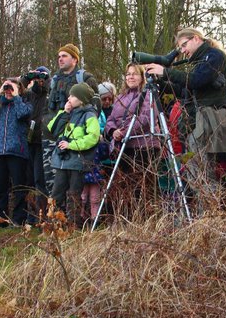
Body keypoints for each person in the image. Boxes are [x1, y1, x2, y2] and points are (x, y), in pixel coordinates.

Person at [146, 28, 226, 184]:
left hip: (210, 117)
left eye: (184, 45)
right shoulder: (199, 62)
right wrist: (161, 82)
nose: (183, 51)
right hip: (199, 119)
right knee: (197, 173)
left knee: (202, 173)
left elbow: (196, 80)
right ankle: (205, 207)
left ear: (196, 39)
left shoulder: (214, 56)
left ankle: (208, 207)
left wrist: (165, 72)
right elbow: (185, 91)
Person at [104, 63, 161, 218]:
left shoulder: (148, 94)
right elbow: (110, 119)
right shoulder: (120, 97)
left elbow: (145, 118)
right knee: (124, 185)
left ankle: (147, 220)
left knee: (142, 186)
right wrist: (113, 130)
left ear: (142, 77)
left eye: (134, 74)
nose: (130, 77)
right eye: (128, 74)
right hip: (123, 146)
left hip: (143, 145)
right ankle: (127, 219)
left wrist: (125, 131)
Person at [48, 83, 100, 228]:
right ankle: (55, 225)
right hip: (62, 162)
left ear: (82, 99)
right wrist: (64, 112)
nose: (69, 98)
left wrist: (72, 145)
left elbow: (93, 137)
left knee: (74, 195)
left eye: (73, 95)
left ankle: (73, 226)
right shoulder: (68, 113)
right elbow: (52, 129)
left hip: (77, 162)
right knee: (56, 193)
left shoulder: (89, 115)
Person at [0, 78, 33, 227]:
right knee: (0, 187)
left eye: (11, 88)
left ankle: (19, 219)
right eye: (7, 88)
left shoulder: (25, 104)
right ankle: (1, 218)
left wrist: (16, 95)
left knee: (19, 187)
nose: (8, 91)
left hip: (17, 151)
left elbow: (23, 114)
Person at [20, 66, 52, 223]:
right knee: (28, 180)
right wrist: (27, 78)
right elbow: (17, 91)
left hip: (42, 141)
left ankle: (41, 215)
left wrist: (46, 80)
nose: (38, 80)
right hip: (28, 140)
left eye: (42, 77)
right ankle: (30, 216)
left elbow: (53, 90)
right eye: (37, 77)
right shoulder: (29, 95)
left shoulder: (50, 93)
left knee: (40, 180)